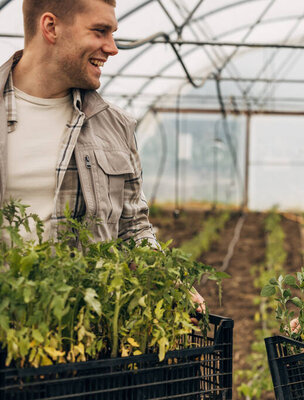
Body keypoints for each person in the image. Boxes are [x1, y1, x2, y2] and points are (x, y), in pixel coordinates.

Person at [0, 0, 204, 310]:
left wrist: (166, 278)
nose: (112, 48)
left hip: (87, 339)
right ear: (51, 27)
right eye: (100, 31)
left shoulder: (115, 126)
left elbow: (132, 228)